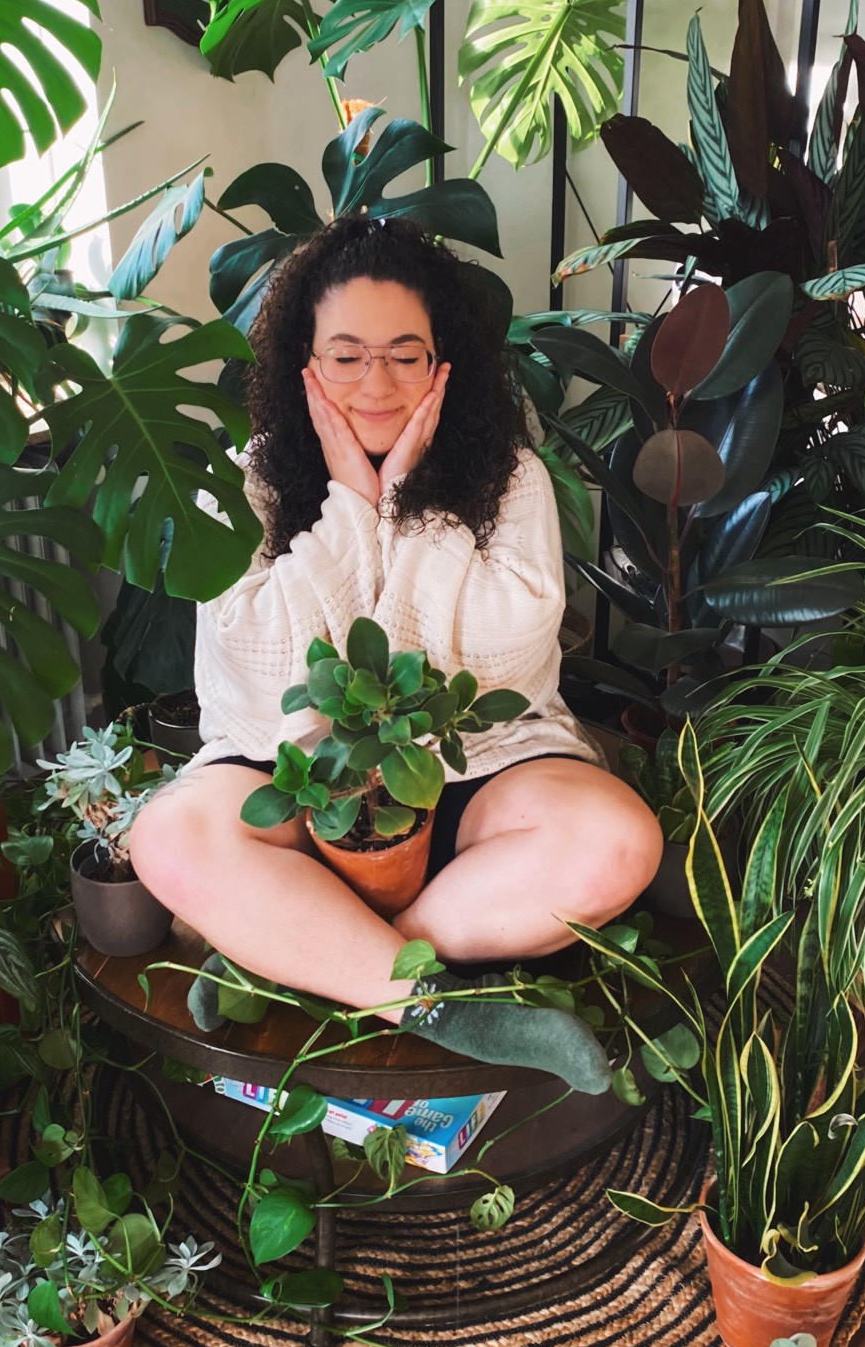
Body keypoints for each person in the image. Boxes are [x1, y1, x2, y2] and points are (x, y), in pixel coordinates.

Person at [130, 215, 663, 1093]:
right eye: (345, 355)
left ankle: (307, 948)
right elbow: (263, 659)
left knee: (614, 844)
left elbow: (497, 656)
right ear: (305, 363)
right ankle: (436, 1005)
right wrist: (348, 502)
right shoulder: (251, 477)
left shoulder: (509, 477)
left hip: (476, 769)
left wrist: (412, 500)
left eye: (404, 353)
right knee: (169, 840)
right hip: (295, 780)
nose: (375, 383)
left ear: (440, 362)